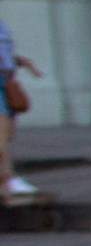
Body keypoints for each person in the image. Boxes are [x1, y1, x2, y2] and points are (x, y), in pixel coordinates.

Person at [0, 18, 41, 199]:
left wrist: (23, 62)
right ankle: (9, 180)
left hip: (6, 84)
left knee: (8, 133)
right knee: (1, 136)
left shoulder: (3, 26)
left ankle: (7, 181)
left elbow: (6, 55)